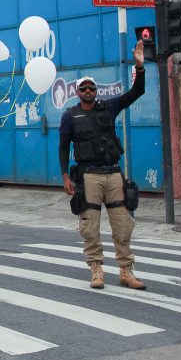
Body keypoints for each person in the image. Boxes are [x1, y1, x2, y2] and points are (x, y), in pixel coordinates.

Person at [60, 41, 147, 290]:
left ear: (96, 91)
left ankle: (126, 271)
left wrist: (139, 66)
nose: (88, 90)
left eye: (92, 87)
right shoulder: (70, 115)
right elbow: (63, 147)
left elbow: (136, 92)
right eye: (83, 88)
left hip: (113, 175)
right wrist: (65, 176)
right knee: (90, 226)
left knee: (122, 224)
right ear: (77, 92)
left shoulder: (109, 107)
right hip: (88, 177)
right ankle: (96, 269)